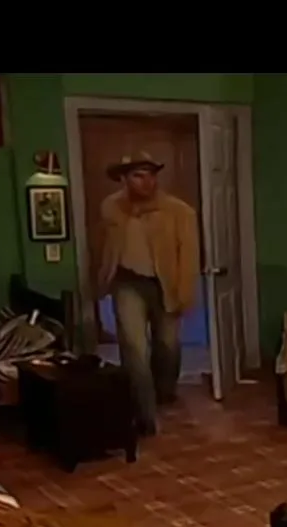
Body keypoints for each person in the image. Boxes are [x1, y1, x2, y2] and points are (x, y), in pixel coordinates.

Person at [93, 151, 200, 435]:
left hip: (165, 284)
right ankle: (144, 412)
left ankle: (164, 392)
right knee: (134, 347)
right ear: (124, 179)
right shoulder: (111, 207)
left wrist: (185, 292)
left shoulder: (179, 211)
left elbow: (189, 255)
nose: (146, 181)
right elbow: (105, 244)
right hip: (127, 283)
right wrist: (101, 278)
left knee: (167, 345)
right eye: (138, 176)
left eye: (151, 175)